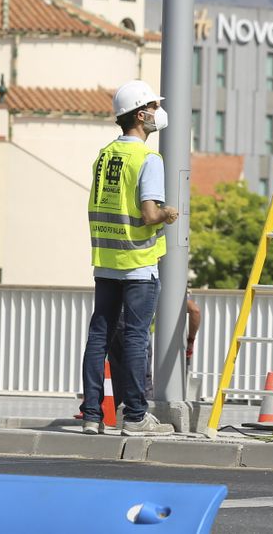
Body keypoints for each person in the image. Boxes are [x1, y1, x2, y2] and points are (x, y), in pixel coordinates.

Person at [82, 81, 178, 436]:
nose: (158, 112)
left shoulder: (105, 154)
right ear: (141, 115)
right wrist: (169, 213)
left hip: (105, 260)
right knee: (137, 338)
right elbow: (149, 213)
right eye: (154, 105)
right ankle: (135, 417)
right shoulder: (148, 158)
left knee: (99, 337)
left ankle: (93, 415)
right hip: (138, 262)